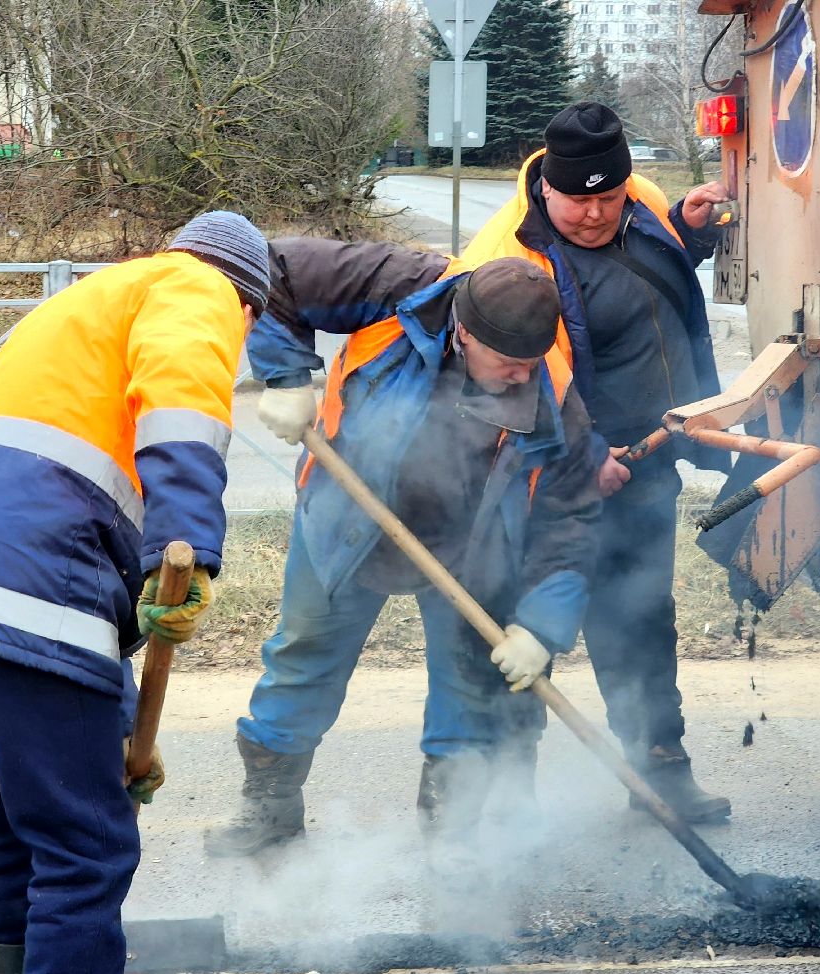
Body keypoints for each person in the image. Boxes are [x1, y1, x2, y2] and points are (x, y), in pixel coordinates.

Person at [0, 211, 269, 974]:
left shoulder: (95, 299)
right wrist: (194, 550)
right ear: (248, 306)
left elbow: (75, 531)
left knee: (20, 831)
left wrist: (124, 729)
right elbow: (179, 414)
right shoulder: (198, 286)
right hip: (29, 572)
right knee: (86, 848)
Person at [203, 245, 600, 858]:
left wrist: (542, 627)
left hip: (470, 549)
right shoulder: (401, 285)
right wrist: (283, 378)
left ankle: (452, 836)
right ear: (464, 332)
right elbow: (269, 269)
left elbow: (570, 521)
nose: (522, 375)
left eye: (531, 362)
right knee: (304, 656)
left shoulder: (554, 394)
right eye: (507, 363)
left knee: (469, 685)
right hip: (346, 518)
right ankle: (269, 818)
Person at [464, 101, 735, 823]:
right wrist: (584, 456)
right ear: (545, 188)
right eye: (578, 202)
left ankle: (660, 776)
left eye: (608, 198)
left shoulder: (637, 202)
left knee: (642, 621)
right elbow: (508, 384)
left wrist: (689, 227)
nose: (594, 215)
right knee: (533, 633)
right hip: (550, 480)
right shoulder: (509, 262)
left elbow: (645, 271)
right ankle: (503, 800)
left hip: (647, 463)